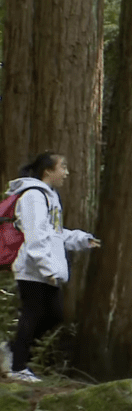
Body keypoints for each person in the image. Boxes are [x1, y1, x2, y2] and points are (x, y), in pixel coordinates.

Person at [5, 152, 100, 382]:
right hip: (33, 269)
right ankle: (18, 368)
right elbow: (35, 235)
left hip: (44, 270)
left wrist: (81, 239)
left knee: (54, 316)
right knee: (33, 314)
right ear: (48, 171)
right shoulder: (33, 196)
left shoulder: (50, 197)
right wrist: (48, 269)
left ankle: (9, 351)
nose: (66, 173)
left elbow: (54, 233)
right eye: (63, 167)